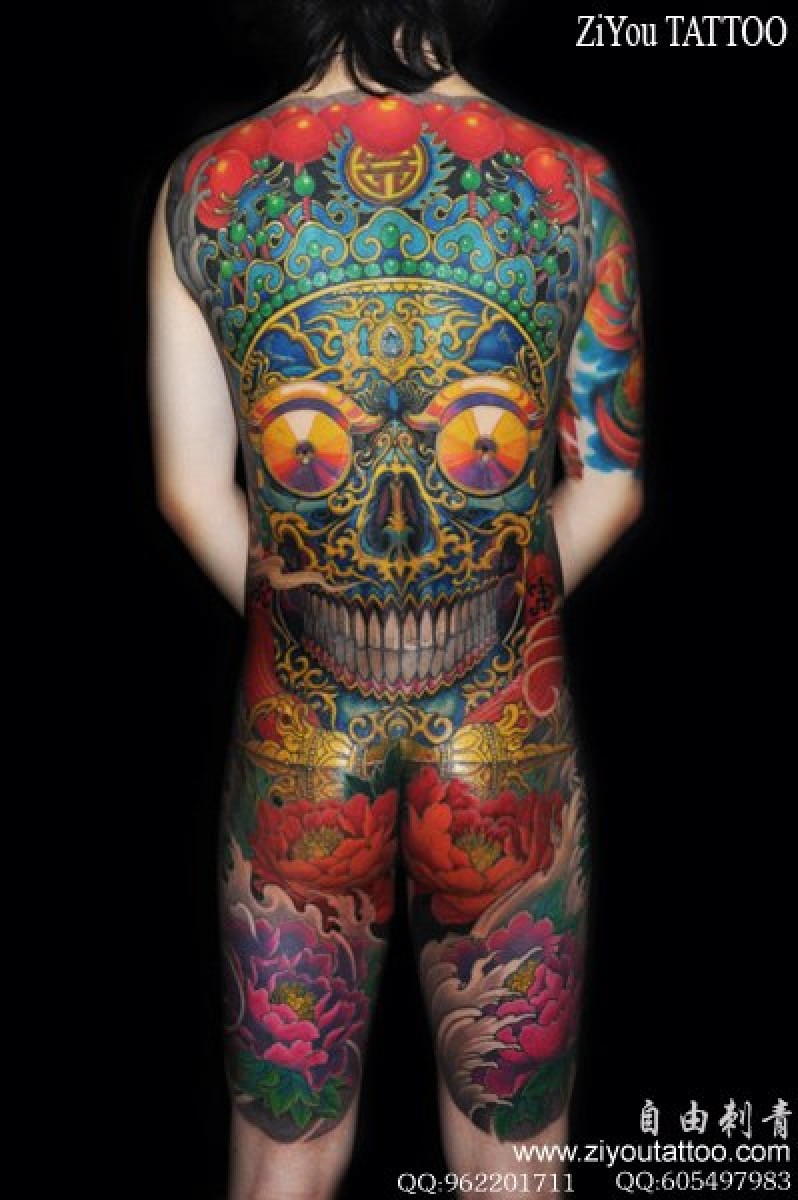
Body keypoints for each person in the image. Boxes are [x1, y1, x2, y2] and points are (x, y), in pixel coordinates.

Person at [148, 2, 644, 1195]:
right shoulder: (575, 186)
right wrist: (500, 616)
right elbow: (612, 483)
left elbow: (189, 489)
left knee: (283, 1158)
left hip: (300, 733)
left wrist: (312, 628)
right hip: (508, 732)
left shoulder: (209, 187)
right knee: (514, 1161)